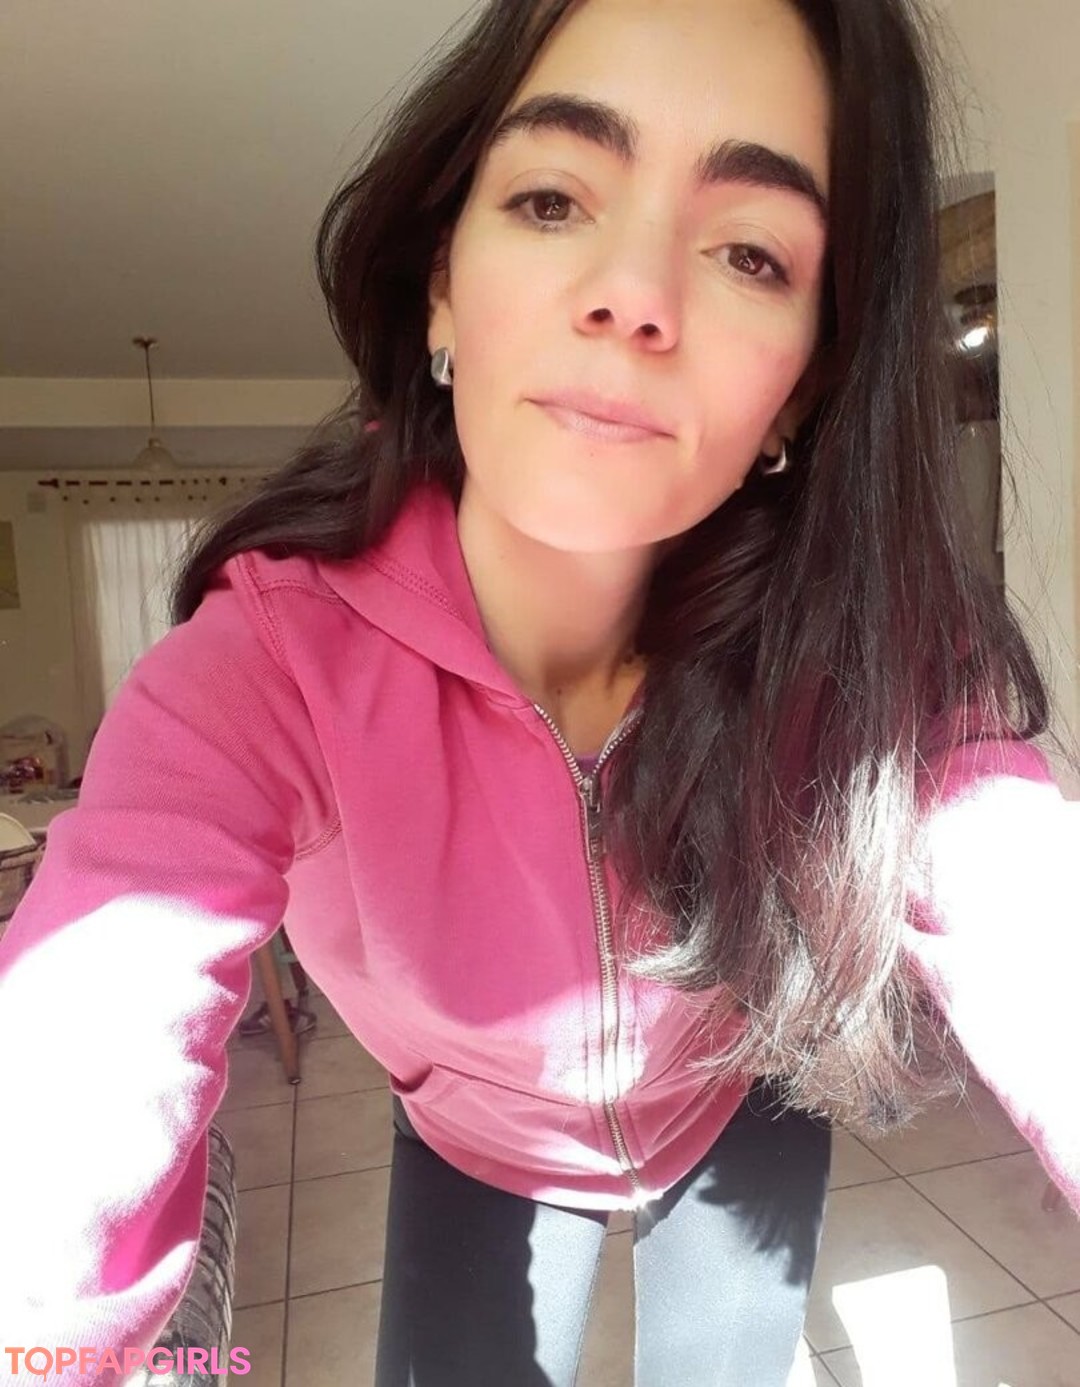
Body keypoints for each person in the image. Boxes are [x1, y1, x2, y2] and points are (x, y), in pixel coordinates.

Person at [2, 0, 1079, 1383]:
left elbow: (1029, 908)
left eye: (750, 251)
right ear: (443, 284)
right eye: (554, 198)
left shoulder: (860, 653)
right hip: (475, 1145)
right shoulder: (263, 665)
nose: (635, 296)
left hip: (736, 1102)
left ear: (802, 389)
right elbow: (82, 1045)